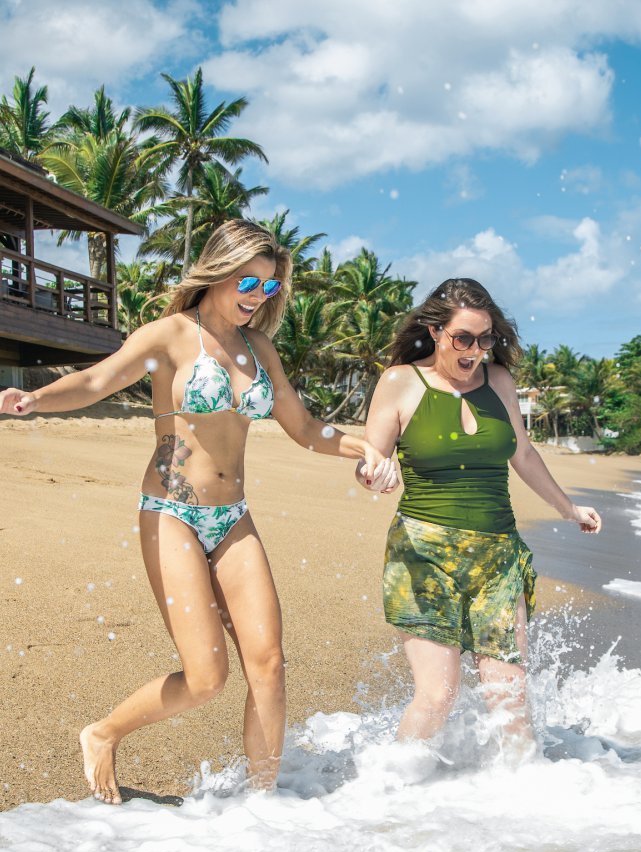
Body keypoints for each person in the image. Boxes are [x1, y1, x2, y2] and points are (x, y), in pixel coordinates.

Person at [0, 219, 397, 803]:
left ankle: (260, 811)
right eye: (246, 281)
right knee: (208, 677)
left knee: (269, 664)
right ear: (217, 270)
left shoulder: (259, 348)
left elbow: (307, 428)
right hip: (172, 510)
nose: (255, 297)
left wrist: (367, 450)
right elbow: (96, 380)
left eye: (267, 287)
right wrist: (34, 399)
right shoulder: (168, 336)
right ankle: (103, 732)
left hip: (232, 516)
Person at [360, 277, 601, 757]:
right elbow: (370, 458)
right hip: (422, 556)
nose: (475, 350)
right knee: (437, 695)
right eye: (463, 338)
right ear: (434, 331)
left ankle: (526, 810)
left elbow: (525, 454)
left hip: (497, 557)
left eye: (485, 338)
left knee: (508, 698)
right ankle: (386, 799)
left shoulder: (499, 382)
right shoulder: (400, 382)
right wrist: (373, 474)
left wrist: (568, 508)